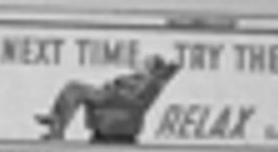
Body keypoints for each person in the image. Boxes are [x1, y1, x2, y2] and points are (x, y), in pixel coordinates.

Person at [35, 55, 180, 144]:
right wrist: (110, 86)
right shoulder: (134, 79)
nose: (139, 64)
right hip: (111, 101)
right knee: (74, 90)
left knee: (74, 88)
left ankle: (56, 126)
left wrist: (171, 65)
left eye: (145, 63)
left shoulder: (151, 82)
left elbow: (166, 74)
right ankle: (56, 123)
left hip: (121, 102)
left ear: (151, 68)